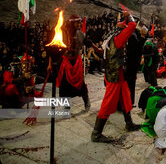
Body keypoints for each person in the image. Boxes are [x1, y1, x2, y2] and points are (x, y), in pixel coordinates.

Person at [91, 11, 140, 143]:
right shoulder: (118, 39)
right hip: (114, 75)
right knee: (107, 103)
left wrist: (124, 17)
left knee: (125, 97)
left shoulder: (111, 37)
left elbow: (125, 26)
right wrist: (129, 16)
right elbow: (132, 26)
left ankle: (129, 123)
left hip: (117, 73)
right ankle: (96, 134)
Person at [56, 15, 90, 111]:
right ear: (72, 23)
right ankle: (67, 107)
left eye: (80, 22)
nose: (79, 24)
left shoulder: (81, 34)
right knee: (64, 86)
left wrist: (98, 48)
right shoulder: (63, 33)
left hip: (76, 62)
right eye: (77, 22)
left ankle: (86, 100)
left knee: (81, 84)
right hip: (66, 63)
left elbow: (88, 43)